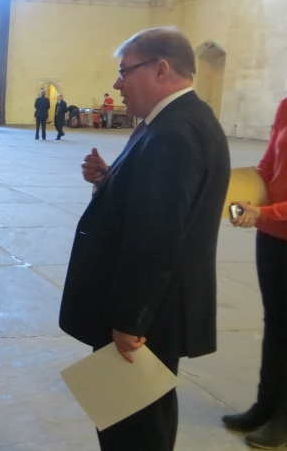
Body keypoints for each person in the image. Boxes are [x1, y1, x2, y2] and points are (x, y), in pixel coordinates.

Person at [59, 27, 230, 451]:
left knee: (133, 433)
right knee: (136, 422)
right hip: (152, 308)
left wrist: (129, 320)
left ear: (160, 69)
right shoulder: (178, 121)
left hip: (145, 315)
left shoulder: (172, 135)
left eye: (124, 71)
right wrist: (110, 182)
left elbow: (158, 238)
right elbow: (153, 206)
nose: (117, 84)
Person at [221, 97, 287, 447]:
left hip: (275, 222)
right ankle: (266, 406)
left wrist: (267, 212)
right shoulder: (286, 105)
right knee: (276, 324)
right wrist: (240, 200)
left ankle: (285, 419)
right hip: (273, 236)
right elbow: (268, 165)